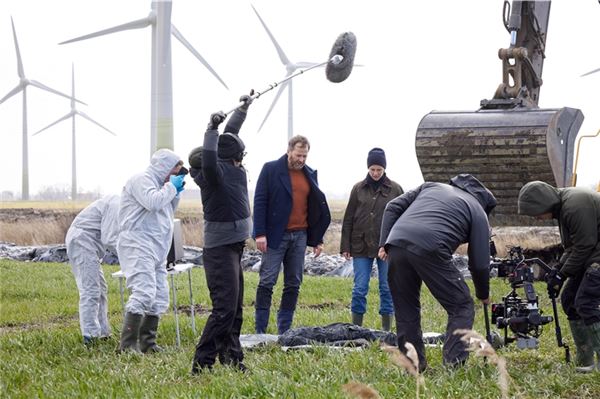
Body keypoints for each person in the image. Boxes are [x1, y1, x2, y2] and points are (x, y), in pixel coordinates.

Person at [379, 174, 497, 371]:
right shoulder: (477, 211)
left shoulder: (430, 186)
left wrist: (384, 243)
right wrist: (483, 294)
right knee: (461, 305)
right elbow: (479, 264)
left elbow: (392, 207)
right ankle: (453, 365)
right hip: (431, 248)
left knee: (406, 307)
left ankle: (413, 367)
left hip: (396, 244)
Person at [190, 93, 253, 374]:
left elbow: (232, 134)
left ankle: (232, 357)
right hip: (219, 250)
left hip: (235, 247)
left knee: (236, 308)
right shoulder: (214, 175)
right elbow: (217, 148)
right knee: (224, 309)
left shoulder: (231, 164)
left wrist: (242, 108)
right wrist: (210, 129)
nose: (243, 157)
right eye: (241, 154)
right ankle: (202, 363)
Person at [518, 181, 600, 372]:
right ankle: (585, 359)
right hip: (592, 252)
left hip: (594, 253)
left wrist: (562, 274)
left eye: (537, 213)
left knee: (586, 301)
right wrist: (556, 270)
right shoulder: (564, 207)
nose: (537, 218)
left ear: (545, 203)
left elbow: (584, 246)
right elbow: (572, 247)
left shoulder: (574, 206)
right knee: (569, 300)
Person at [253, 135, 331, 334]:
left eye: (304, 156)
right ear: (289, 151)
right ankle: (260, 329)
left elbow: (314, 209)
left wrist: (317, 239)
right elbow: (260, 201)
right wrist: (260, 233)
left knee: (294, 283)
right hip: (274, 236)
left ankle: (285, 330)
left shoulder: (310, 174)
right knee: (267, 281)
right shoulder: (270, 170)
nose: (301, 160)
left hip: (300, 236)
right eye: (298, 155)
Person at [117, 148, 186, 353]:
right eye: (175, 170)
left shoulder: (162, 186)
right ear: (163, 166)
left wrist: (175, 193)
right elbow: (153, 202)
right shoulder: (141, 180)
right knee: (144, 292)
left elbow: (166, 211)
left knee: (159, 296)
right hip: (137, 244)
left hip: (157, 248)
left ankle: (148, 343)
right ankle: (127, 345)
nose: (175, 175)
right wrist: (170, 188)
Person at [340, 148, 403, 331]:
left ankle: (386, 331)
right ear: (368, 168)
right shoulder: (358, 189)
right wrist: (346, 245)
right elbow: (348, 218)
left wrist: (399, 245)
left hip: (387, 247)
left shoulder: (396, 189)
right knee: (360, 288)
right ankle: (355, 329)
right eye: (372, 169)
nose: (375, 173)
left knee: (387, 288)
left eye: (379, 170)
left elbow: (403, 218)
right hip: (360, 246)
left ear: (384, 169)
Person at [66, 194, 120, 345]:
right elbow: (110, 239)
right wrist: (129, 259)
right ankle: (90, 337)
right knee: (90, 289)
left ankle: (103, 333)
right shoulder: (117, 204)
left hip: (91, 244)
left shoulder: (128, 207)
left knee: (101, 289)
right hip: (81, 240)